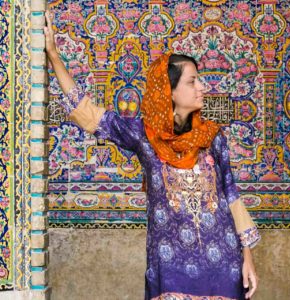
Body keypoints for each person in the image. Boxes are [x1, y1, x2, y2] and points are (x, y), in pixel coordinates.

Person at [44, 11, 260, 300]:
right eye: (192, 81)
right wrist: (54, 56)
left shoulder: (212, 137)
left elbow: (231, 196)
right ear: (169, 91)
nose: (202, 87)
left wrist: (248, 258)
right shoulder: (143, 135)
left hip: (224, 267)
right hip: (170, 268)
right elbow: (87, 113)